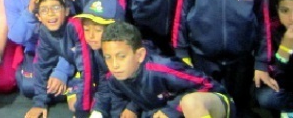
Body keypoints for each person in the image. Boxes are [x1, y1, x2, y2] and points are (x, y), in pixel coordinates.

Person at [91, 21, 233, 118]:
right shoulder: (114, 78)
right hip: (165, 113)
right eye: (108, 57)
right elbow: (122, 104)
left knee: (191, 102)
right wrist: (133, 107)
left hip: (214, 105)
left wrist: (173, 108)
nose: (114, 64)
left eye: (121, 56)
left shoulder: (162, 68)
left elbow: (208, 85)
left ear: (139, 55)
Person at [26, 0, 124, 118]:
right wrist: (39, 102)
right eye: (44, 10)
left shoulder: (75, 26)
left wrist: (82, 111)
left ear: (66, 10)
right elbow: (40, 64)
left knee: (91, 102)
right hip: (81, 71)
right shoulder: (44, 30)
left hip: (95, 71)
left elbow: (87, 67)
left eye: (55, 8)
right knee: (29, 86)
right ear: (38, 16)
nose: (50, 13)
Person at [4, 0, 60, 97]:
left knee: (61, 81)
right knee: (29, 88)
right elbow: (16, 37)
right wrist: (30, 10)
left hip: (59, 48)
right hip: (34, 50)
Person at [255, 0, 293, 114]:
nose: (292, 18)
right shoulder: (271, 31)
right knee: (265, 97)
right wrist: (285, 50)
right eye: (284, 11)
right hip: (287, 90)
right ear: (277, 9)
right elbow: (274, 75)